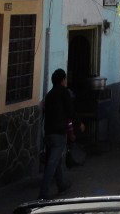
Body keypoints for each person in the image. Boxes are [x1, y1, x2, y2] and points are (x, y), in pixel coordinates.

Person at [39, 68, 83, 200]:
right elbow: (70, 111)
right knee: (52, 163)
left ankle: (61, 185)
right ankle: (43, 192)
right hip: (58, 132)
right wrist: (78, 124)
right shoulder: (64, 93)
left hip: (48, 132)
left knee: (56, 160)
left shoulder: (49, 95)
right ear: (63, 80)